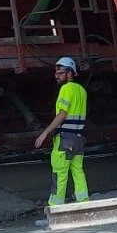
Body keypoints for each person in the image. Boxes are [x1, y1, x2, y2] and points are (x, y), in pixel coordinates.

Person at [33, 56, 89, 205]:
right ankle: (84, 205)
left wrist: (45, 133)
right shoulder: (82, 91)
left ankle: (55, 210)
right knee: (78, 172)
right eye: (56, 73)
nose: (56, 76)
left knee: (60, 174)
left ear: (70, 73)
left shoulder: (66, 89)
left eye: (60, 73)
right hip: (78, 138)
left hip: (65, 139)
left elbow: (62, 114)